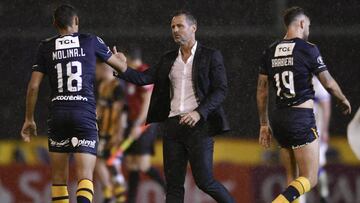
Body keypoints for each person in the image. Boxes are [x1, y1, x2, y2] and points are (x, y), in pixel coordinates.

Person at [113, 10, 235, 203]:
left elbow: (221, 90)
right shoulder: (168, 59)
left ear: (193, 28)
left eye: (180, 26)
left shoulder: (211, 56)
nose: (175, 30)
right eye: (172, 27)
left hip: (199, 127)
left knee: (205, 181)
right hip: (172, 127)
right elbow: (143, 78)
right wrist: (122, 68)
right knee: (174, 187)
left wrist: (199, 112)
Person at [20, 4, 127, 203]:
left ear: (54, 23)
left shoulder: (45, 46)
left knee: (59, 179)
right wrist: (121, 59)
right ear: (76, 21)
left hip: (58, 115)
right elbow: (121, 67)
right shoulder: (90, 40)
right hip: (84, 113)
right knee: (85, 176)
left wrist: (29, 119)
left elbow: (33, 87)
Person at [256, 6, 351, 203]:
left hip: (279, 118)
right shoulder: (308, 49)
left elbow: (262, 90)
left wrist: (264, 124)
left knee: (293, 179)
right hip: (300, 118)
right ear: (301, 23)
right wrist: (342, 99)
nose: (308, 29)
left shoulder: (270, 50)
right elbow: (328, 83)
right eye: (308, 25)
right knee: (310, 177)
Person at [122, 47, 165, 203]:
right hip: (133, 123)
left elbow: (147, 102)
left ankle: (171, 192)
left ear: (130, 58)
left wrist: (138, 124)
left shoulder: (144, 72)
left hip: (145, 124)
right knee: (131, 164)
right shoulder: (130, 77)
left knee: (143, 165)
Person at [95, 61, 127, 203]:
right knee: (102, 162)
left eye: (96, 68)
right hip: (103, 132)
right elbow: (100, 110)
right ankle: (109, 194)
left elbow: (122, 112)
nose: (95, 71)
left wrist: (120, 133)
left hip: (113, 132)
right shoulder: (103, 86)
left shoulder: (117, 86)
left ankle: (117, 196)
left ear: (103, 68)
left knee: (112, 163)